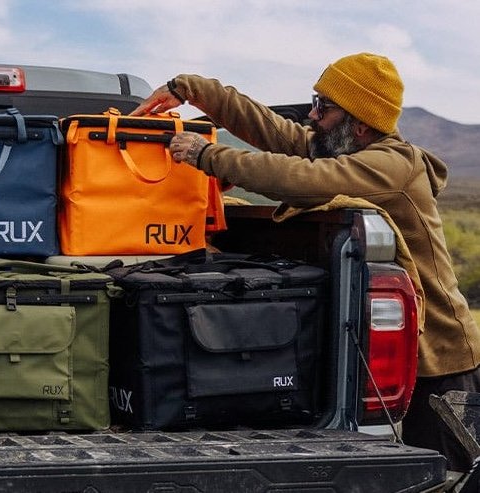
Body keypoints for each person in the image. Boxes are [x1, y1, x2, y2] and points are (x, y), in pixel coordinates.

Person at [130, 52, 480, 472]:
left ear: (360, 122)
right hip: (390, 355)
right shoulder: (343, 148)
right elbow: (272, 130)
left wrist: (208, 156)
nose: (312, 115)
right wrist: (192, 89)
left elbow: (300, 178)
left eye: (323, 107)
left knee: (447, 474)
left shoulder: (391, 166)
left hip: (440, 360)